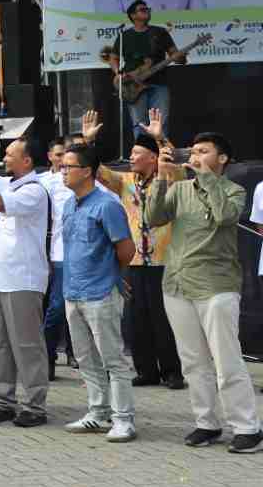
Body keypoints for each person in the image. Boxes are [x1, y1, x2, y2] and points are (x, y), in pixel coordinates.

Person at [144, 131, 260, 452]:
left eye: (203, 151)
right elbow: (152, 218)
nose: (195, 156)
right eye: (193, 150)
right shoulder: (179, 188)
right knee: (192, 361)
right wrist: (161, 178)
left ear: (222, 159)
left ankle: (247, 427)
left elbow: (224, 217)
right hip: (177, 283)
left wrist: (207, 178)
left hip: (216, 286)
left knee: (226, 360)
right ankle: (206, 423)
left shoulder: (234, 189)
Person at [81, 109, 186, 389]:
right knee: (137, 318)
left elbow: (174, 161)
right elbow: (97, 172)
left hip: (164, 259)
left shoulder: (170, 178)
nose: (131, 157)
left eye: (137, 153)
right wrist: (87, 142)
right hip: (135, 260)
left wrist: (160, 138)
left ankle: (172, 372)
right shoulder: (124, 182)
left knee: (164, 318)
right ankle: (146, 370)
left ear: (152, 158)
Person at [56, 144, 137, 442]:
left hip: (101, 292)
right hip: (72, 291)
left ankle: (124, 419)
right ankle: (97, 413)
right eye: (61, 166)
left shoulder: (107, 204)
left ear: (87, 171)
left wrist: (111, 274)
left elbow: (126, 249)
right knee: (85, 358)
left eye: (68, 167)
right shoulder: (68, 204)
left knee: (112, 359)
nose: (62, 171)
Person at [0, 136, 53, 427]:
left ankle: (34, 404)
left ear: (27, 161)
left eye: (9, 155)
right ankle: (0, 400)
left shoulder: (34, 191)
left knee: (27, 344)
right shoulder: (10, 184)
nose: (4, 159)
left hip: (22, 279)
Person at [102, 0, 189, 139]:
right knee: (139, 123)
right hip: (133, 84)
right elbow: (113, 57)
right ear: (133, 15)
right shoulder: (124, 36)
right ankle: (141, 154)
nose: (147, 11)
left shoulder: (160, 32)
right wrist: (118, 73)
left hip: (159, 82)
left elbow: (176, 56)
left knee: (161, 121)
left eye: (147, 9)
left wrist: (180, 58)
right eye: (142, 9)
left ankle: (162, 154)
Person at [39, 137, 78, 380]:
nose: (63, 159)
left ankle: (81, 357)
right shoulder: (46, 182)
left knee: (77, 310)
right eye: (59, 154)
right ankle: (47, 358)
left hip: (82, 254)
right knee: (55, 308)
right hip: (58, 252)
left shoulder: (90, 185)